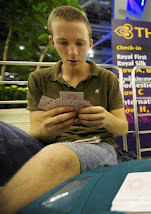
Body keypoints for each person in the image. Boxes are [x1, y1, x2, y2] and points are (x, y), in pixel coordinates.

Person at [0, 6, 128, 214]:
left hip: (98, 146)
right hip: (49, 146)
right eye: (63, 42)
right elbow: (35, 133)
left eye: (79, 43)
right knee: (52, 150)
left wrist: (105, 119)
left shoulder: (107, 78)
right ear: (52, 41)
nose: (72, 52)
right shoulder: (38, 79)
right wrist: (47, 130)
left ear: (90, 43)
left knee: (58, 153)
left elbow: (122, 127)